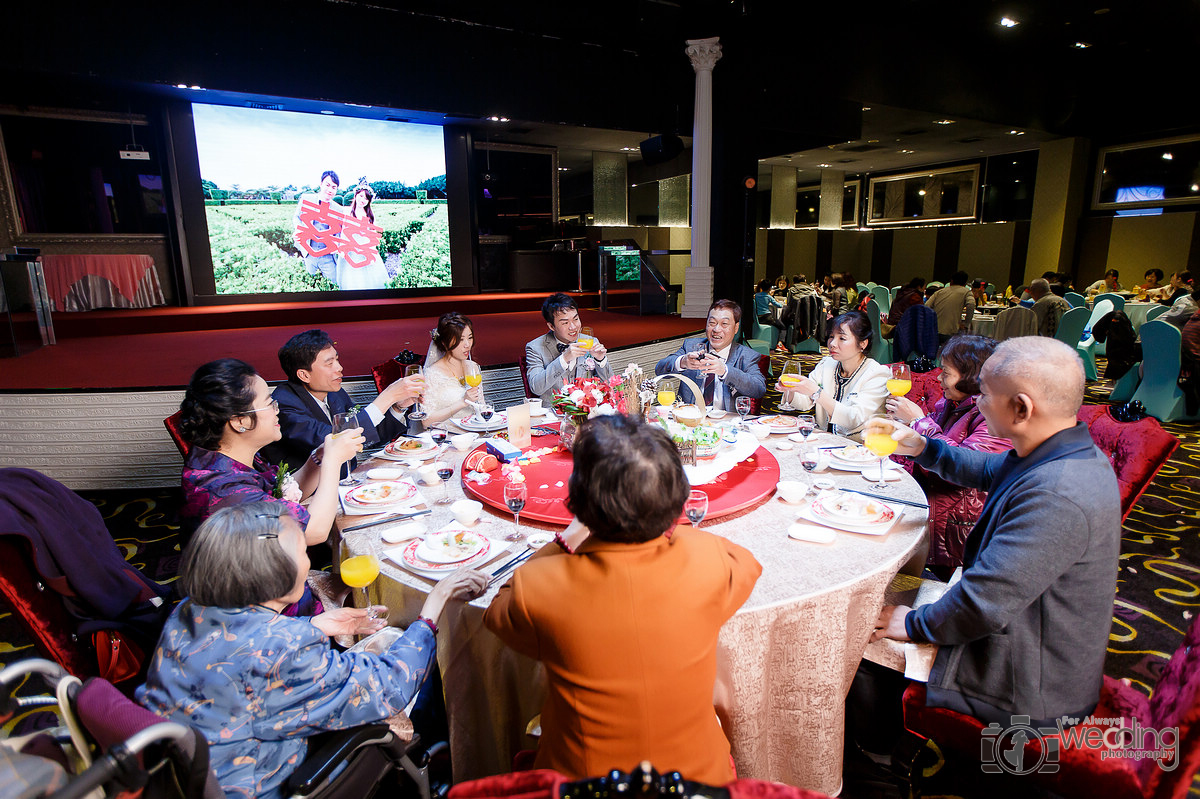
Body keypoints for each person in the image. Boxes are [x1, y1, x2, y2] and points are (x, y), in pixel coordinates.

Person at [138, 502, 487, 799]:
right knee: (424, 672)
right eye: (303, 553)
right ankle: (437, 767)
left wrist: (315, 625)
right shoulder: (283, 649)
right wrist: (432, 607)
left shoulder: (186, 611)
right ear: (272, 575)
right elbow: (391, 685)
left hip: (193, 771)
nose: (307, 563)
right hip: (266, 783)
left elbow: (241, 654)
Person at [483, 415, 761, 783]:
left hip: (585, 782)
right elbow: (749, 565)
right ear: (676, 495)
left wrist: (565, 541)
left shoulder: (538, 586)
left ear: (578, 501)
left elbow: (496, 611)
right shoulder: (711, 558)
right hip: (699, 779)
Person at [865, 337, 1119, 732]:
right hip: (1019, 624)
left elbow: (983, 604)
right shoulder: (1055, 451)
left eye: (983, 393)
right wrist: (922, 446)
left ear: (1021, 407)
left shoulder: (1059, 493)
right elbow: (985, 468)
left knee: (862, 622)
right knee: (888, 585)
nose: (977, 402)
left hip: (1025, 675)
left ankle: (880, 750)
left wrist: (914, 623)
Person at [178, 358, 360, 546]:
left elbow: (278, 496)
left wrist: (318, 459)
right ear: (240, 421)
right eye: (270, 403)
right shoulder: (226, 491)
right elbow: (313, 531)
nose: (277, 410)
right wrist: (333, 462)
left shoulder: (233, 456)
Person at [884, 335, 1012, 573]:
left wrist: (917, 420)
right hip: (926, 507)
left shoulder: (993, 417)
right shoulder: (951, 405)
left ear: (973, 377)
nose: (938, 378)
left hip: (956, 532)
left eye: (946, 373)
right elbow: (921, 445)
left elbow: (964, 465)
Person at [263, 329, 420, 469]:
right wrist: (387, 396)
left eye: (337, 360)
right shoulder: (284, 404)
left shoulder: (334, 393)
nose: (339, 368)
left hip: (347, 481)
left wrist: (398, 406)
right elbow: (334, 441)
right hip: (310, 496)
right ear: (304, 375)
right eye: (330, 363)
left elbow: (365, 434)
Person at [776, 310, 889, 439]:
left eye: (842, 338)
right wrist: (790, 390)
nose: (832, 344)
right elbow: (804, 403)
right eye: (831, 336)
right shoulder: (827, 364)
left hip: (859, 449)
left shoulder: (877, 374)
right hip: (824, 442)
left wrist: (817, 393)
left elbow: (854, 418)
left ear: (863, 343)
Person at [655, 299, 767, 411]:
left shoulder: (746, 355)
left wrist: (725, 371)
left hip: (726, 423)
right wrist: (682, 361)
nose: (716, 329)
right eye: (712, 323)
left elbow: (759, 389)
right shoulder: (691, 346)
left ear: (736, 328)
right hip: (690, 419)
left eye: (724, 324)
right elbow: (659, 370)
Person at [524, 293, 614, 404]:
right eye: (565, 323)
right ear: (551, 326)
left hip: (587, 412)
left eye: (576, 319)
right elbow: (536, 388)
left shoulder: (590, 342)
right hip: (553, 413)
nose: (573, 327)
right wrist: (564, 359)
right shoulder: (535, 347)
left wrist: (601, 361)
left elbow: (609, 386)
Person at [422, 311, 484, 423]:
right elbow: (426, 421)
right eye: (460, 340)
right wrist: (462, 402)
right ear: (445, 343)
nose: (467, 344)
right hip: (445, 434)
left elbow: (481, 406)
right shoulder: (433, 373)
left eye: (469, 338)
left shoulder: (473, 367)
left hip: (472, 432)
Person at [335, 179, 391, 291]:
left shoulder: (369, 215)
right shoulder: (346, 212)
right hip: (349, 251)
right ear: (355, 196)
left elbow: (373, 235)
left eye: (366, 198)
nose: (362, 200)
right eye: (360, 196)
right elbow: (340, 230)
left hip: (365, 250)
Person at [293, 170, 344, 285]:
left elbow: (340, 231)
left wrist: (338, 245)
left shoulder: (339, 209)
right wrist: (298, 229)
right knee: (308, 285)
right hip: (309, 252)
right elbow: (297, 217)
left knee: (334, 285)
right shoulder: (306, 199)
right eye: (327, 185)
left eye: (334, 187)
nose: (330, 190)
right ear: (321, 184)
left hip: (328, 256)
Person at [925, 270, 975, 343]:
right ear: (965, 283)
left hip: (933, 330)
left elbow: (926, 305)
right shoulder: (966, 292)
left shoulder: (940, 291)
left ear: (951, 281)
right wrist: (966, 324)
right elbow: (971, 305)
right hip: (950, 331)